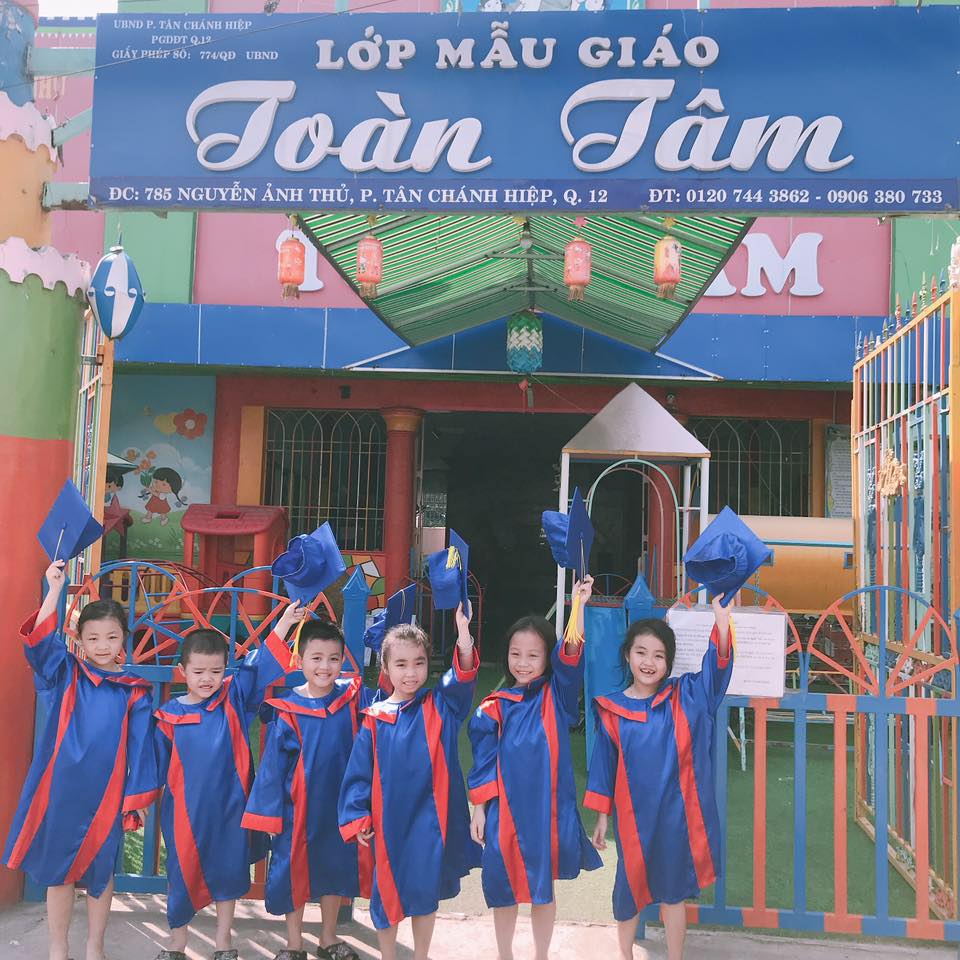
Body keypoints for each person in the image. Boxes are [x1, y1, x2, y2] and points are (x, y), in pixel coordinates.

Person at [3, 560, 159, 960]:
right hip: (61, 790)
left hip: (107, 794)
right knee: (60, 872)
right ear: (80, 641)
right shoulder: (65, 674)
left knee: (101, 873)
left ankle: (94, 948)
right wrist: (54, 590)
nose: (103, 645)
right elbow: (39, 643)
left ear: (123, 638)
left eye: (112, 636)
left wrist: (136, 798)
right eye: (94, 638)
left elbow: (142, 747)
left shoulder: (134, 691)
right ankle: (58, 948)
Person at [153, 601, 305, 960]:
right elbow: (153, 768)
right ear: (182, 671)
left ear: (225, 671)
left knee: (227, 875)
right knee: (180, 874)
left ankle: (223, 943)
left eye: (215, 671)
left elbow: (259, 665)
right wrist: (138, 803)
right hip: (184, 815)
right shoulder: (167, 717)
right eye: (198, 671)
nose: (207, 679)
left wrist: (284, 623)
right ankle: (177, 944)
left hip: (230, 810)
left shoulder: (233, 700)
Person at [586, 595, 733, 960]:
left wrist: (722, 623)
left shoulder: (686, 697)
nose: (648, 662)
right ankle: (625, 955)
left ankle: (675, 957)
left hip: (675, 819)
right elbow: (604, 766)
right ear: (627, 655)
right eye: (641, 652)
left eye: (658, 656)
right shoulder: (611, 710)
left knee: (673, 893)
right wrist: (602, 816)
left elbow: (716, 671)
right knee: (628, 891)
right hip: (632, 819)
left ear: (668, 663)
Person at [467, 577, 601, 960]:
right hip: (504, 813)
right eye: (516, 654)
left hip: (546, 811)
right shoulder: (493, 706)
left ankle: (541, 955)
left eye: (533, 655)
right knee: (502, 887)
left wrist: (578, 607)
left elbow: (571, 656)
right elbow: (483, 762)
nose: (523, 663)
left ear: (547, 660)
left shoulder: (556, 696)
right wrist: (479, 809)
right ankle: (504, 954)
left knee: (544, 890)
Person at [338, 604, 480, 960]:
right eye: (401, 664)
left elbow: (463, 677)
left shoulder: (441, 705)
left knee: (424, 893)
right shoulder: (374, 719)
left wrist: (464, 635)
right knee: (385, 894)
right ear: (385, 668)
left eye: (419, 663)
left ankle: (420, 955)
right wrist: (357, 816)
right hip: (387, 823)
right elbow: (358, 774)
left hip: (430, 823)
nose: (411, 672)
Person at [242, 619, 372, 960]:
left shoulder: (352, 698)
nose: (324, 666)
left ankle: (328, 938)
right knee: (293, 873)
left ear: (342, 661)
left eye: (333, 658)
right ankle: (294, 942)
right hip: (297, 809)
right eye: (316, 658)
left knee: (335, 869)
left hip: (340, 804)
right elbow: (272, 767)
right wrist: (270, 815)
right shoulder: (287, 709)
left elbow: (388, 704)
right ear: (299, 661)